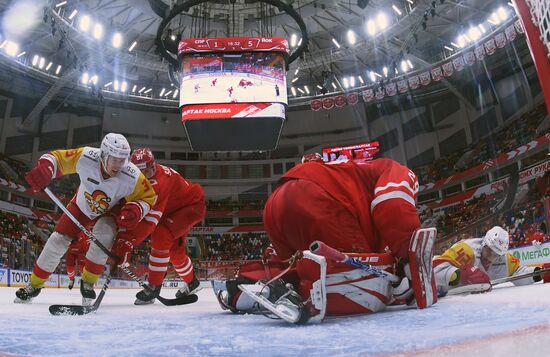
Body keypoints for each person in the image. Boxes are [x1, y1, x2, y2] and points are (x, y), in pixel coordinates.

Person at [213, 156, 437, 323]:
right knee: (367, 291)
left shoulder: (344, 172)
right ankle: (305, 293)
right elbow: (393, 203)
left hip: (275, 205)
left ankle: (251, 285)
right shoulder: (391, 168)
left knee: (294, 269)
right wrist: (410, 257)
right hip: (318, 199)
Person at [15, 133, 157, 304]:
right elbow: (57, 158)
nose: (119, 165)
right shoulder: (86, 156)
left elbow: (149, 196)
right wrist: (46, 168)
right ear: (103, 154)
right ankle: (34, 285)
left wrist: (136, 209)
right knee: (57, 240)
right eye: (115, 160)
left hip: (110, 211)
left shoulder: (132, 175)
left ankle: (88, 284)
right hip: (81, 206)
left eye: (123, 160)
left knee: (103, 236)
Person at [110, 148, 206, 305]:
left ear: (153, 165)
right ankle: (192, 282)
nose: (145, 174)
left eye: (148, 170)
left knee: (161, 235)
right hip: (171, 210)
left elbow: (148, 222)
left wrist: (127, 242)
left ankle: (154, 287)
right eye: (140, 171)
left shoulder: (159, 183)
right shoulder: (135, 176)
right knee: (174, 252)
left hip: (190, 206)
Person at [433, 226, 550, 297]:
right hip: (438, 293)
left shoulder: (504, 259)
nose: (492, 256)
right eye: (490, 250)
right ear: (484, 242)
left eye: (496, 253)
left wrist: (539, 273)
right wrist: (460, 275)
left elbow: (519, 272)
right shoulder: (466, 250)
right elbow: (436, 268)